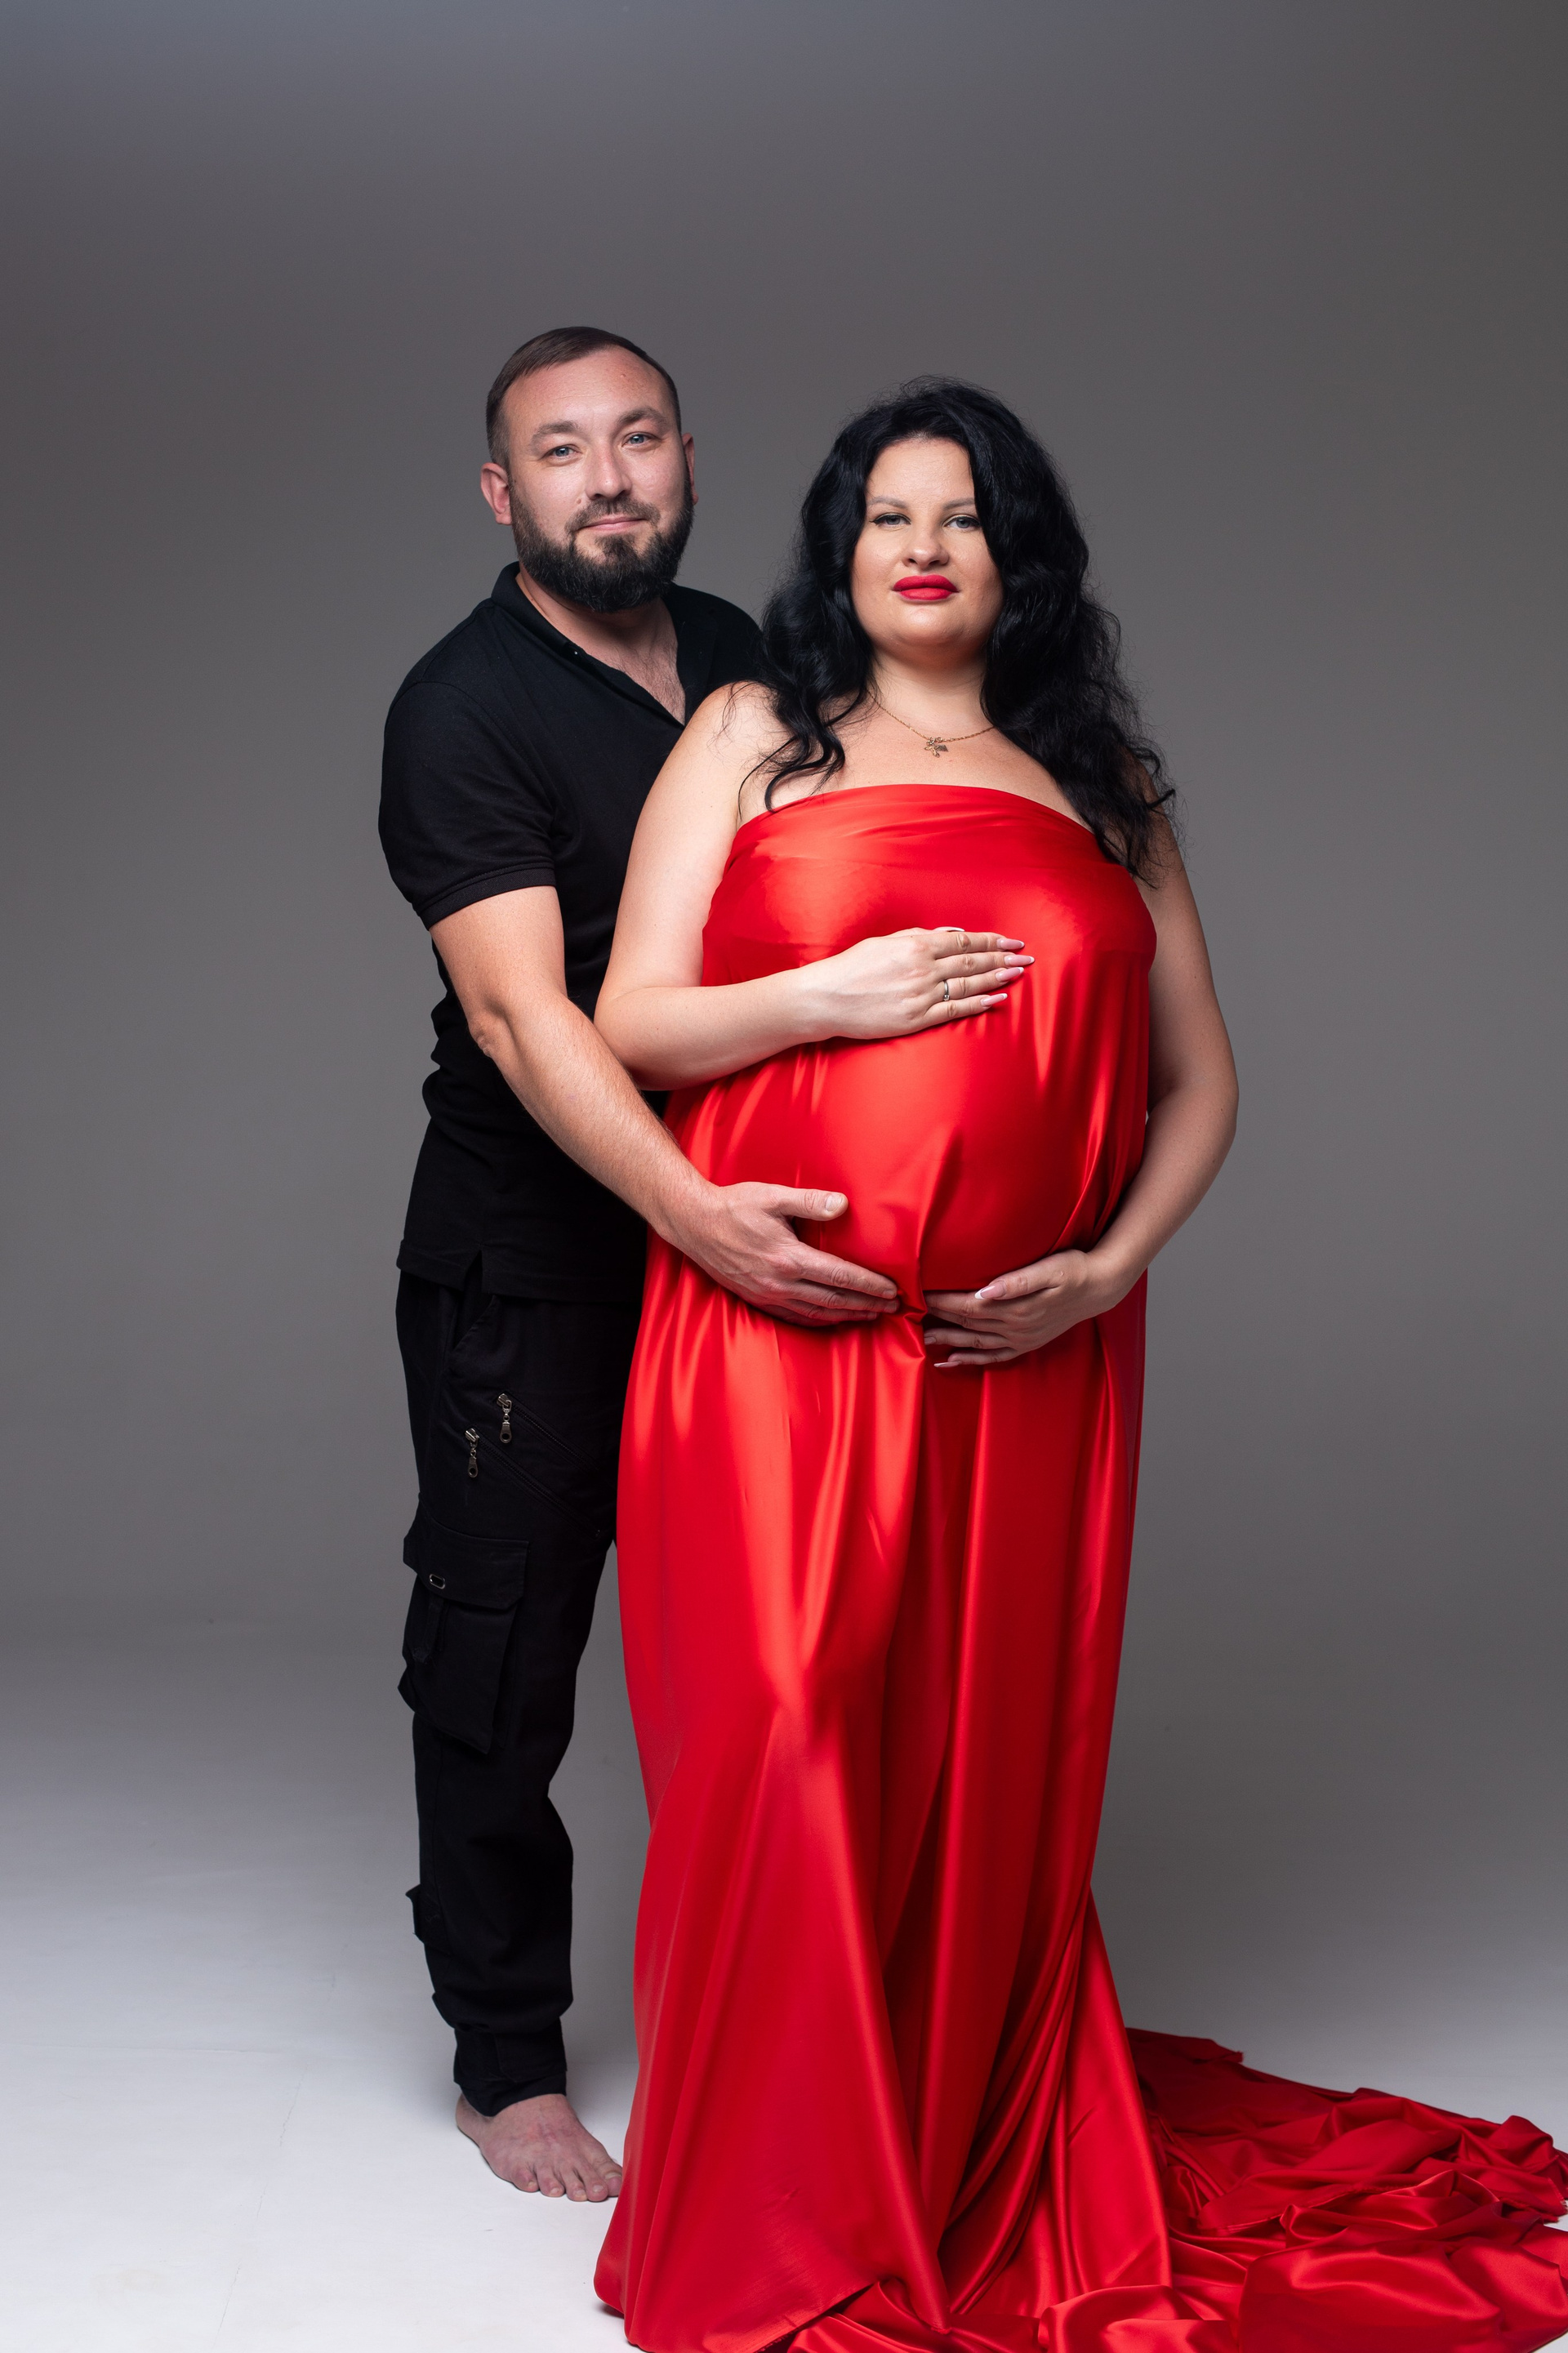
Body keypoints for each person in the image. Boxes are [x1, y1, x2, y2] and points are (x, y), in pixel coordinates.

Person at [590, 382, 1568, 2348]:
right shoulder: (752, 733)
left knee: (968, 1767)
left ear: (1016, 555)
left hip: (1020, 1362)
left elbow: (1203, 1082)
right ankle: (782, 2201)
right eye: (887, 514)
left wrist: (1106, 1268)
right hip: (774, 1331)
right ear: (842, 550)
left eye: (963, 515)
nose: (922, 546)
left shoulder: (1100, 780)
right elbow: (632, 1019)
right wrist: (831, 993)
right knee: (782, 1723)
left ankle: (937, 2133)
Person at [376, 327, 903, 2205]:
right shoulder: (462, 709)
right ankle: (506, 2058)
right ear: (501, 492)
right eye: (560, 450)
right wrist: (695, 1215)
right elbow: (527, 1021)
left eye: (639, 437)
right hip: (540, 1258)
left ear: (684, 457)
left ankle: (802, 1998)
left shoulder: (754, 662)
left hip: (750, 1219)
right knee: (505, 1653)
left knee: (779, 1637)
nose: (609, 479)